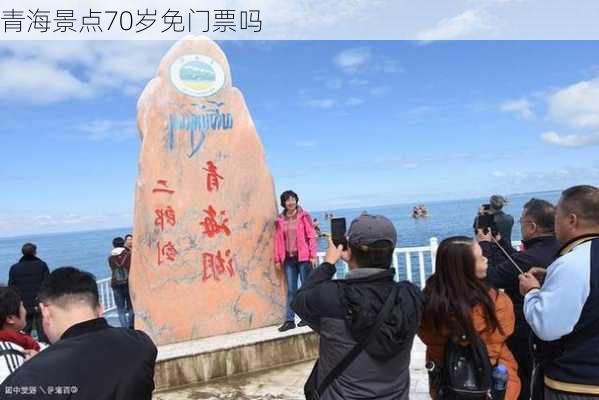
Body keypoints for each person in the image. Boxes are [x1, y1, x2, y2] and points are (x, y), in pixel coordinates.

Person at [293, 214, 424, 399]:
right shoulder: (410, 297)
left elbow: (299, 301)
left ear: (349, 250)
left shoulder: (331, 297)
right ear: (391, 250)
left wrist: (329, 264)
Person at [0, 267, 157, 399]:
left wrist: (40, 362)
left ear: (45, 311)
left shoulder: (27, 379)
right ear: (99, 308)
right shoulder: (141, 344)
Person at [519, 185, 599, 400]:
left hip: (577, 385)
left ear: (571, 220)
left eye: (557, 218)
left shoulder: (573, 262)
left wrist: (532, 291)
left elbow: (547, 327)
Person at [419, 236, 521, 400]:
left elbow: (427, 337)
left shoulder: (428, 304)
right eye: (481, 257)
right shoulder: (496, 302)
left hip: (448, 384)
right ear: (465, 267)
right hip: (494, 385)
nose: (486, 259)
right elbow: (503, 334)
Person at [478, 198, 560, 400]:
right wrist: (501, 242)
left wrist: (484, 245)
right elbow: (516, 260)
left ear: (532, 226)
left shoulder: (531, 257)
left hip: (526, 328)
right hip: (555, 328)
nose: (521, 224)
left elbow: (491, 277)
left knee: (521, 376)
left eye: (522, 221)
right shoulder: (556, 247)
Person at [274, 190, 317, 332]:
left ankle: (307, 317)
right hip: (289, 259)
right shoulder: (280, 220)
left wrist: (313, 255)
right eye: (287, 200)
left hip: (304, 258)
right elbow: (278, 241)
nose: (290, 202)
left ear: (296, 200)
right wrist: (277, 259)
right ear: (284, 203)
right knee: (291, 290)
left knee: (305, 288)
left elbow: (311, 236)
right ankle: (290, 320)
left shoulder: (304, 216)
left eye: (293, 199)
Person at [8, 243, 49, 343]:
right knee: (43, 332)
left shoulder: (14, 268)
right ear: (35, 252)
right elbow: (47, 284)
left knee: (24, 331)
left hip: (23, 305)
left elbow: (11, 287)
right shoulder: (42, 265)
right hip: (39, 303)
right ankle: (45, 353)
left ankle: (24, 353)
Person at [0, 286, 40, 383]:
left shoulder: (21, 339)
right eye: (22, 306)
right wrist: (35, 368)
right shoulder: (8, 356)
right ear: (10, 318)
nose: (25, 311)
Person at [108, 237, 134, 329]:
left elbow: (112, 269)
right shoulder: (129, 255)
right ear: (123, 243)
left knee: (120, 309)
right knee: (131, 306)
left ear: (113, 245)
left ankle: (124, 328)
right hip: (128, 283)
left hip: (116, 284)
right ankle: (131, 325)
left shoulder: (110, 258)